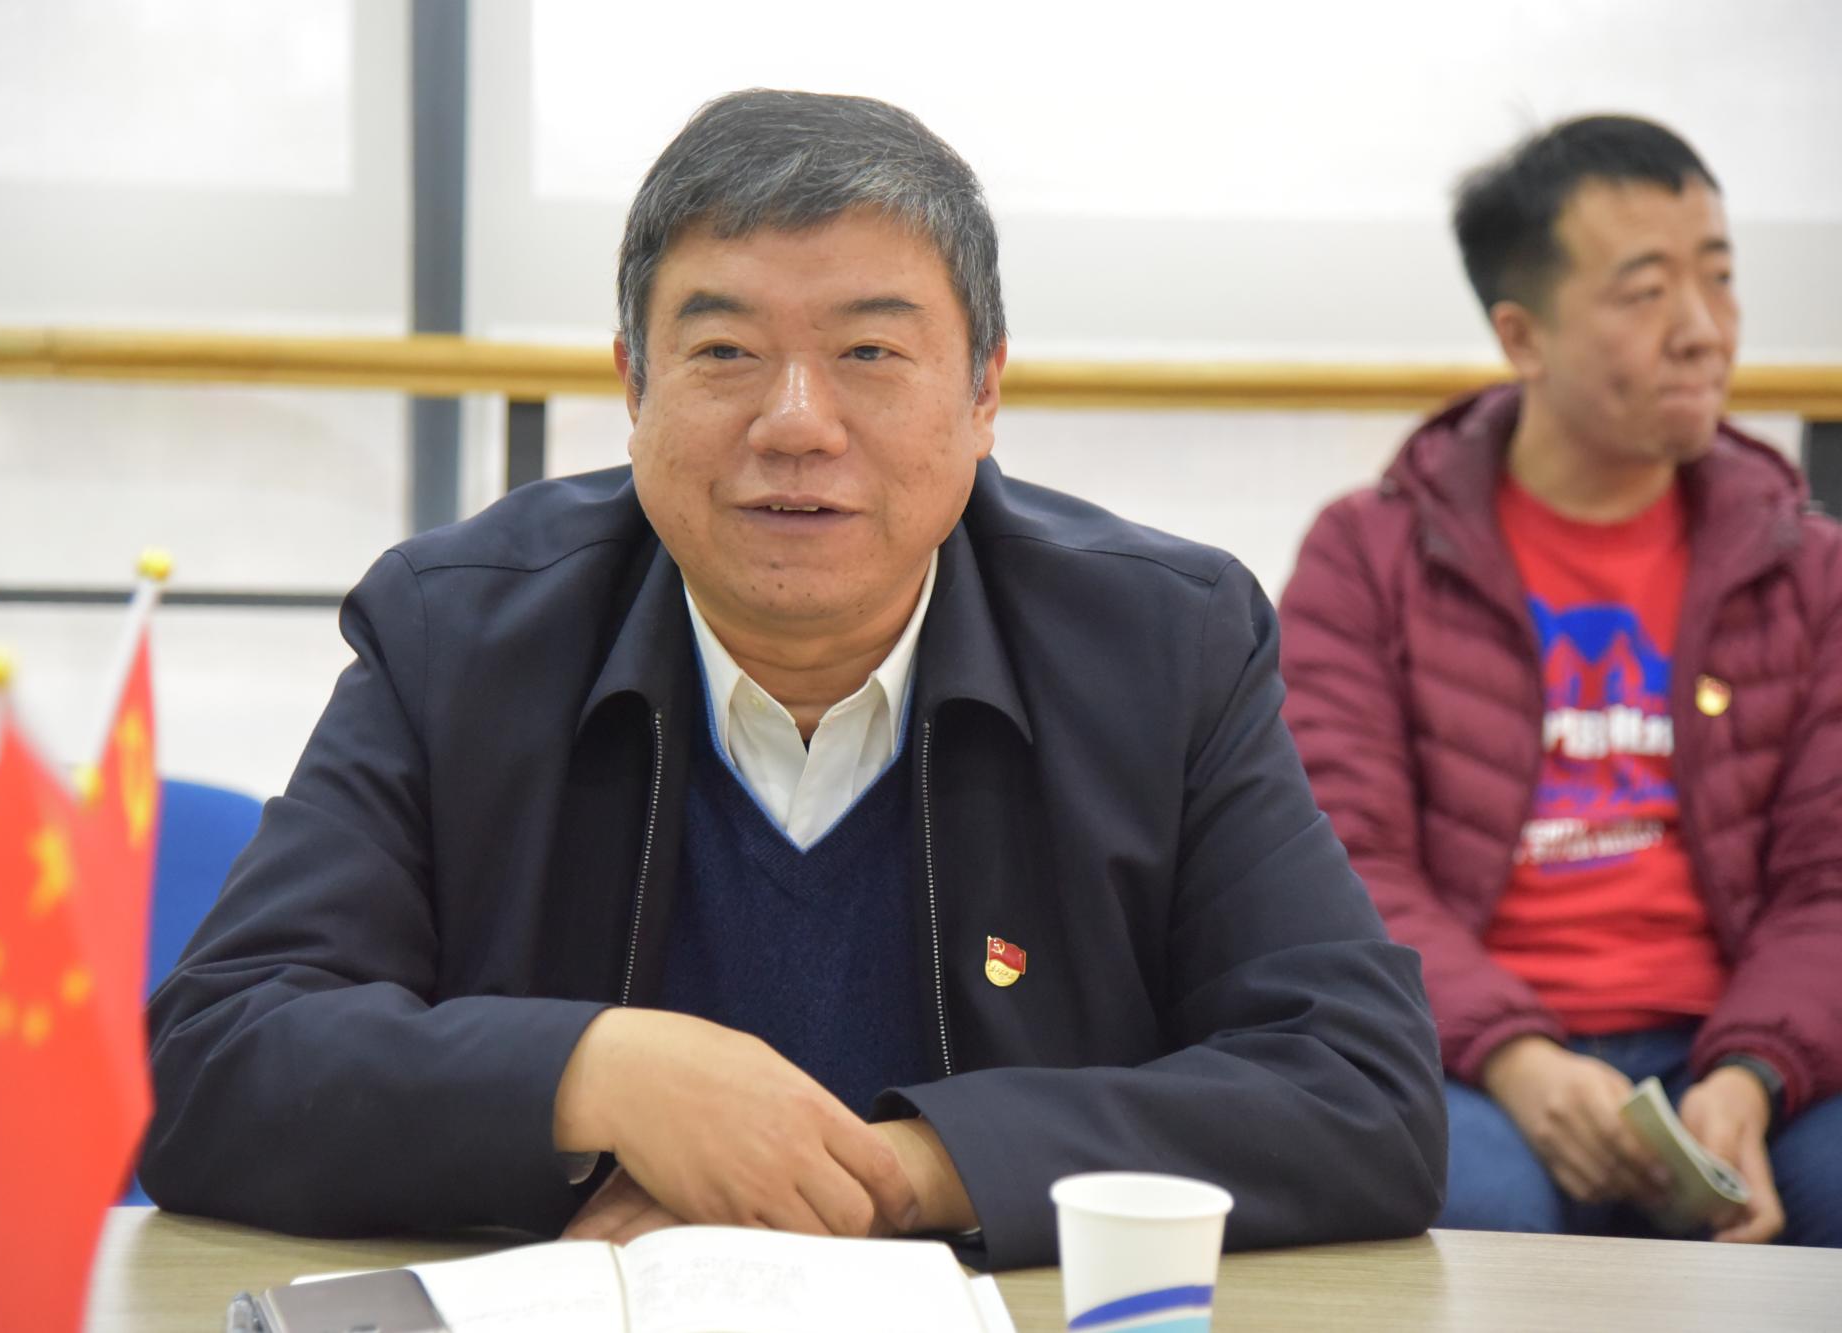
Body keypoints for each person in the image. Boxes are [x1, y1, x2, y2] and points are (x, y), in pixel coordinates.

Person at [142, 89, 1445, 1268]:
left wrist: (898, 1175)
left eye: (870, 353)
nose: (797, 422)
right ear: (634, 387)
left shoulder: (1160, 644)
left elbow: (1359, 1090)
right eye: (724, 352)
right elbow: (213, 1059)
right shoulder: (457, 634)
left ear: (983, 392)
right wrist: (600, 1072)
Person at [1279, 115, 1842, 1245]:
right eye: (1645, 293)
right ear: (1521, 337)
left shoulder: (1809, 569)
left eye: (1718, 278)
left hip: (1730, 1047)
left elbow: (1828, 881)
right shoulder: (1369, 556)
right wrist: (1517, 1055)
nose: (1702, 330)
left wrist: (1752, 1072)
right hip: (1468, 1056)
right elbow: (1341, 860)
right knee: (1465, 1209)